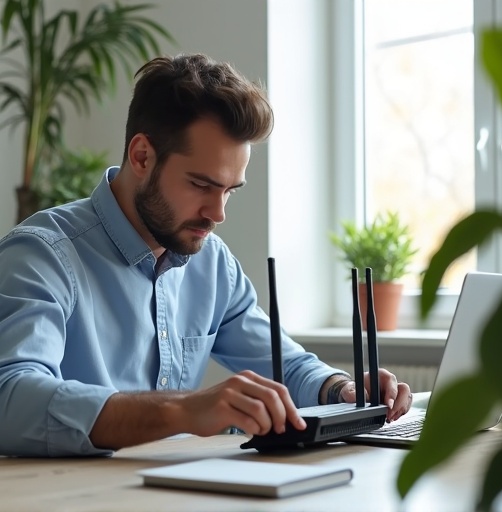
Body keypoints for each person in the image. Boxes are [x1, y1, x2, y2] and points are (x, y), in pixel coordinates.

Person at [0, 53, 412, 457]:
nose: (218, 214)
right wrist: (182, 410)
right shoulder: (42, 254)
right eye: (201, 185)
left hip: (183, 491)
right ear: (141, 156)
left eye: (230, 190)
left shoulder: (212, 264)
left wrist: (341, 388)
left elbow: (284, 364)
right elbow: (10, 399)